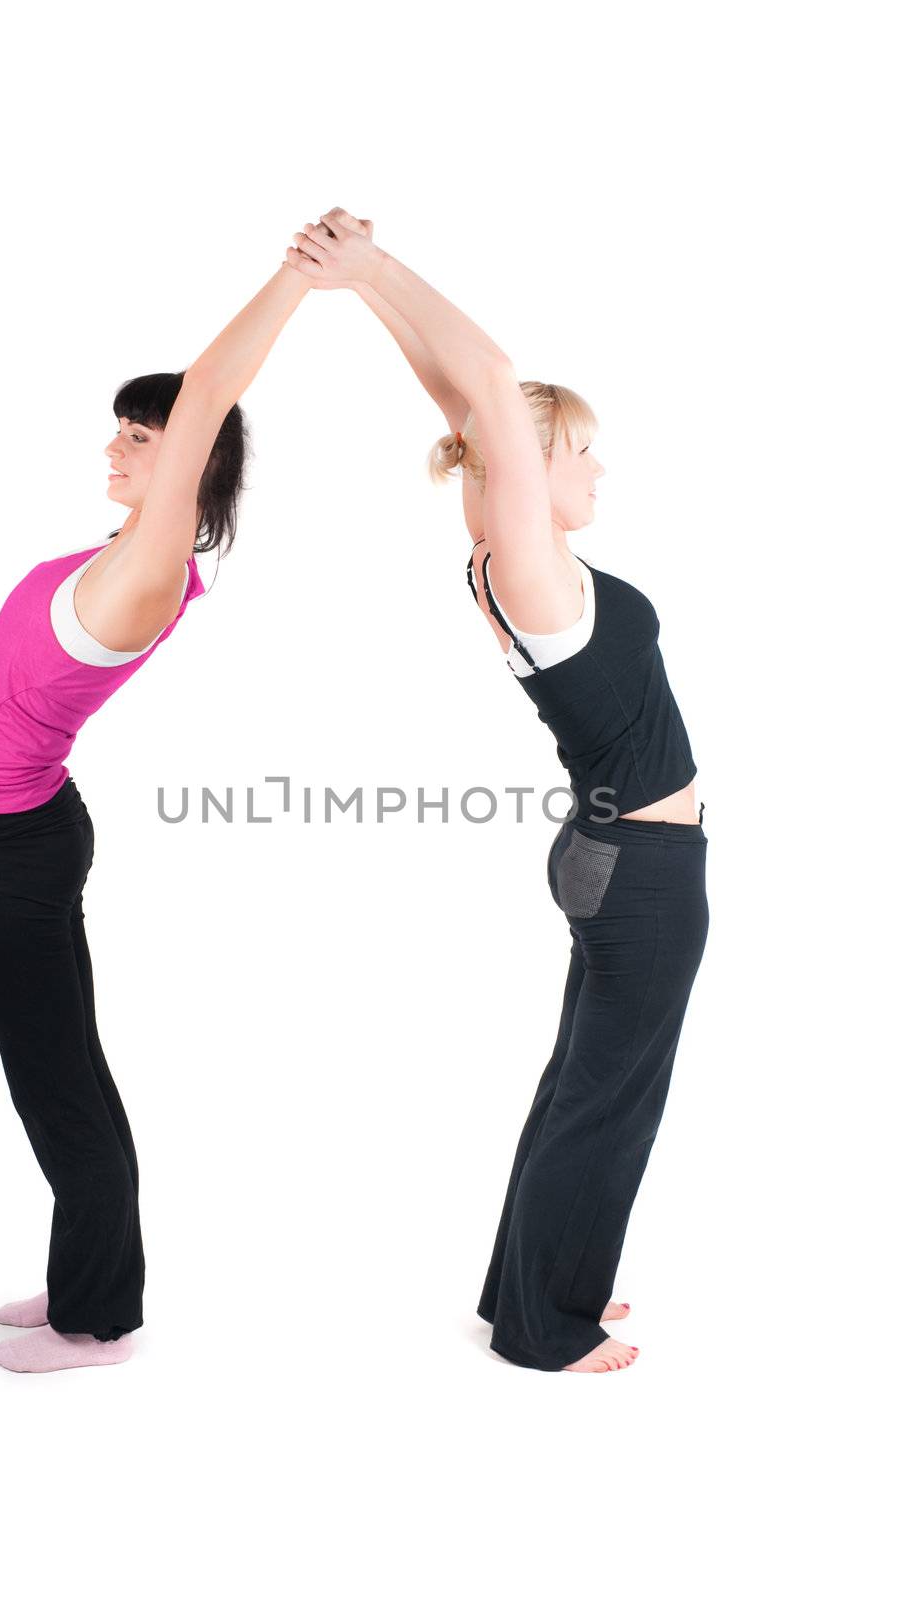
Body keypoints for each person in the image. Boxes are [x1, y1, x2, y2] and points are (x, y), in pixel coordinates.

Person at [286, 209, 709, 1374]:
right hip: (645, 874)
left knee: (586, 1081)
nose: (598, 469)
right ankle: (542, 1326)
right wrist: (370, 267)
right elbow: (490, 382)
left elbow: (472, 404)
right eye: (580, 453)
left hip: (611, 857)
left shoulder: (508, 555)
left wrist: (366, 295)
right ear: (534, 470)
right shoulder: (531, 566)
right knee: (606, 1095)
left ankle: (535, 1285)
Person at [0, 259, 314, 1373]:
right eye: (119, 432)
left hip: (11, 851)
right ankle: (88, 1268)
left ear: (192, 457)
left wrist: (297, 279)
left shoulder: (149, 566)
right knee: (64, 1068)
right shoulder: (123, 558)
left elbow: (207, 393)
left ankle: (99, 1320)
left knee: (52, 1077)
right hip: (31, 830)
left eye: (140, 437)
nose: (114, 448)